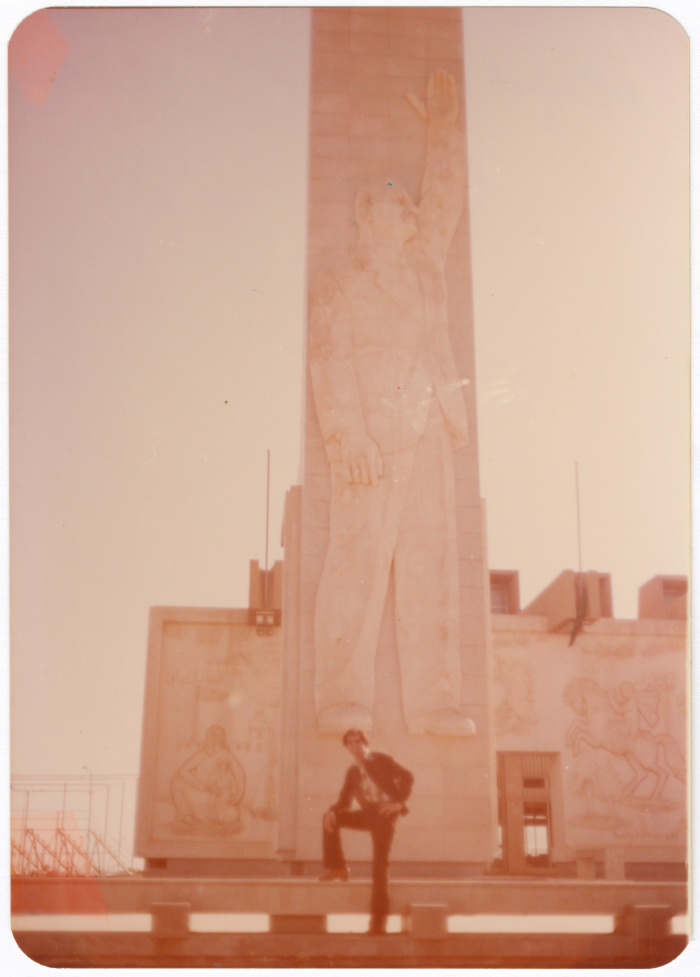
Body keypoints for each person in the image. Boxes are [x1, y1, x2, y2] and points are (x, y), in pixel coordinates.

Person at [309, 71, 475, 737]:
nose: (409, 212)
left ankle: (436, 702)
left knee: (432, 565)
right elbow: (329, 360)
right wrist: (346, 438)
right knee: (357, 559)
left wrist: (442, 133)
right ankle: (340, 694)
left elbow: (445, 202)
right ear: (364, 216)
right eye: (394, 204)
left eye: (409, 206)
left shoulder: (425, 269)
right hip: (370, 443)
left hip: (429, 427)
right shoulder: (338, 285)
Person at [319, 728, 414, 935]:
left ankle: (378, 925)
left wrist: (398, 803)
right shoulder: (352, 772)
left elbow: (408, 776)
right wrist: (331, 812)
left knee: (379, 866)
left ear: (365, 743)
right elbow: (344, 801)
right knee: (331, 819)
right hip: (368, 813)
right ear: (347, 747)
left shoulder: (380, 759)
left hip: (385, 814)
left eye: (358, 741)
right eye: (350, 743)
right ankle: (338, 868)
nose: (355, 746)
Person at [171, 724, 245, 827]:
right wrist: (198, 785)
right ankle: (186, 816)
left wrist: (239, 795)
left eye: (221, 735)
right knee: (176, 781)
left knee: (229, 813)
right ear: (210, 737)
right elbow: (183, 771)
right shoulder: (203, 754)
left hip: (216, 795)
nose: (219, 737)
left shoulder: (226, 754)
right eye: (216, 735)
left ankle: (214, 816)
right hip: (201, 792)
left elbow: (240, 773)